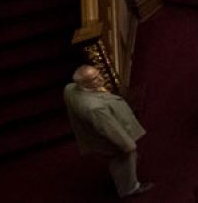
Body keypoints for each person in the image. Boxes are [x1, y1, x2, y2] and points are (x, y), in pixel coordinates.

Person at [64, 64, 151, 198]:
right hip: (110, 138)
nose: (101, 78)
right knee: (124, 158)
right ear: (83, 84)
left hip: (94, 133)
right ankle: (130, 188)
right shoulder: (95, 108)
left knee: (122, 158)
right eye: (94, 79)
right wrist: (129, 146)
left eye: (98, 74)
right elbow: (110, 129)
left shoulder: (69, 89)